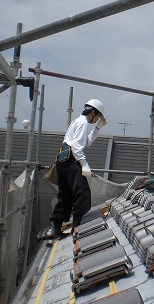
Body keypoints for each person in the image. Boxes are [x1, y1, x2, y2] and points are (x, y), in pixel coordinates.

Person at [49, 99, 107, 238]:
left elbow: (86, 141)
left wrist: (98, 127)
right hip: (70, 160)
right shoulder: (82, 123)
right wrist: (84, 164)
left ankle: (56, 229)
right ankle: (76, 227)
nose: (98, 118)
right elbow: (77, 147)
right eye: (98, 116)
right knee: (83, 192)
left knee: (66, 194)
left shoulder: (77, 121)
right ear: (93, 112)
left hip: (63, 159)